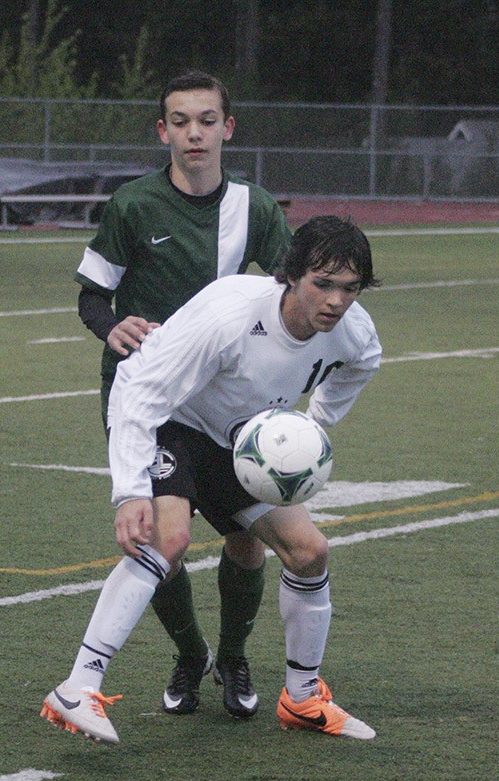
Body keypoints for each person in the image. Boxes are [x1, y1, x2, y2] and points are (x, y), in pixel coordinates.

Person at [41, 215, 382, 744]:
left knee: (310, 551)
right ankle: (78, 685)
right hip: (175, 421)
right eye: (323, 283)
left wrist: (311, 426)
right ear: (291, 275)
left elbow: (365, 362)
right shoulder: (232, 312)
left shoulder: (353, 331)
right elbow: (138, 387)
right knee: (168, 540)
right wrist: (131, 491)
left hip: (245, 441)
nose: (336, 301)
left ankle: (302, 697)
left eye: (350, 288)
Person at [74, 70, 292, 718]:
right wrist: (111, 324)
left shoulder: (254, 207)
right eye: (179, 120)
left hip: (226, 406)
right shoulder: (133, 205)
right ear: (162, 130)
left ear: (227, 127)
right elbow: (92, 294)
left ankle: (232, 655)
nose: (193, 132)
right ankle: (190, 653)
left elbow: (288, 290)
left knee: (248, 540)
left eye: (205, 119)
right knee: (162, 540)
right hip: (150, 402)